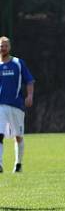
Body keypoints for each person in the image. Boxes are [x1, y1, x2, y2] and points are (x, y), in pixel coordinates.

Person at [0, 37, 34, 173]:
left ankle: (18, 164)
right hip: (0, 106)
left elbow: (30, 81)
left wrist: (30, 95)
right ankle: (0, 164)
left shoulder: (18, 63)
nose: (3, 48)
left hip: (16, 105)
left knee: (18, 136)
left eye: (5, 46)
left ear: (9, 47)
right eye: (1, 46)